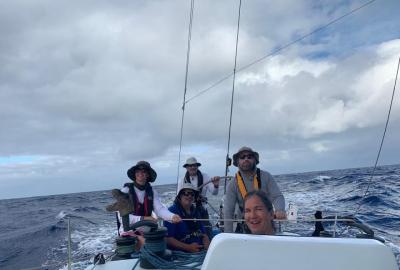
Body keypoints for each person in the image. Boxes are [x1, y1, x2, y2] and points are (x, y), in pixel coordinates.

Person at [223, 146, 286, 233]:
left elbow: (277, 196)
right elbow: (228, 210)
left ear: (255, 160)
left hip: (266, 223)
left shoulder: (266, 176)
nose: (246, 159)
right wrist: (228, 234)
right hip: (244, 224)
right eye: (242, 157)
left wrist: (280, 210)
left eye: (249, 157)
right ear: (237, 162)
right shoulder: (232, 184)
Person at [108, 161, 181, 233]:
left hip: (147, 229)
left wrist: (172, 216)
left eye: (144, 171)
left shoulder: (152, 191)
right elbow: (121, 218)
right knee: (144, 242)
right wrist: (144, 218)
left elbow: (159, 210)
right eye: (137, 171)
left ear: (148, 174)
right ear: (135, 174)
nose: (140, 174)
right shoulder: (125, 191)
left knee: (162, 239)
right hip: (128, 231)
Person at [177, 157, 220, 238]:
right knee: (190, 231)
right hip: (188, 210)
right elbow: (178, 196)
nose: (193, 167)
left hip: (201, 208)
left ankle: (209, 246)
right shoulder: (182, 180)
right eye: (190, 166)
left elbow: (214, 193)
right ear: (186, 167)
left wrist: (216, 185)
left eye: (194, 165)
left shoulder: (205, 176)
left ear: (197, 166)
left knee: (207, 229)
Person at [164, 183, 211, 253]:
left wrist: (206, 240)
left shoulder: (195, 211)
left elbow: (203, 232)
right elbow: (168, 239)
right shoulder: (171, 212)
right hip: (182, 254)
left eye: (192, 194)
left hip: (200, 251)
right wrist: (188, 248)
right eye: (186, 193)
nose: (189, 196)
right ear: (180, 196)